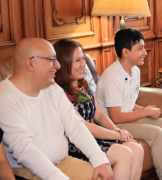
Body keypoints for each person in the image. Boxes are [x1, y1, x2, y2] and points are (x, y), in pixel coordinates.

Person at [0, 38, 113, 180]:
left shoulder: (52, 88)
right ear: (30, 64)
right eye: (52, 60)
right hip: (28, 170)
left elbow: (75, 126)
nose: (58, 66)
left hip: (64, 162)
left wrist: (100, 159)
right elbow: (24, 150)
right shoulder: (4, 97)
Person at [95, 28, 162, 180]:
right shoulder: (112, 78)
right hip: (114, 125)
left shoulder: (135, 71)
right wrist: (145, 112)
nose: (145, 53)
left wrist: (144, 109)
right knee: (157, 133)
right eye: (140, 49)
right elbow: (115, 117)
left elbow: (128, 103)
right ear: (125, 52)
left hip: (129, 119)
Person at [53, 38, 144, 180]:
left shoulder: (82, 86)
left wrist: (116, 129)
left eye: (83, 59)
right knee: (124, 153)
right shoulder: (60, 92)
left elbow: (99, 113)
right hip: (76, 143)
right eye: (77, 60)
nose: (83, 64)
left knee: (137, 149)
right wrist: (117, 136)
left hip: (94, 136)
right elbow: (82, 126)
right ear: (64, 62)